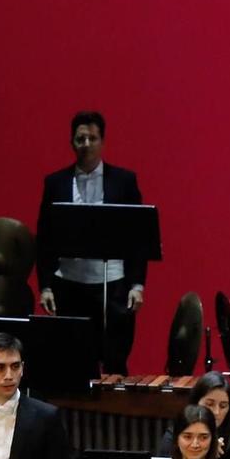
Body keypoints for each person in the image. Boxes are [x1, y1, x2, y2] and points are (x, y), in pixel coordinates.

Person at [37, 111, 147, 375]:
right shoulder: (55, 183)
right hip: (69, 286)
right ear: (72, 143)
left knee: (115, 361)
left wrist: (137, 284)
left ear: (102, 141)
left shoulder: (124, 181)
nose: (86, 144)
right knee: (73, 361)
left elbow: (138, 237)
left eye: (92, 138)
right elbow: (44, 238)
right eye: (80, 139)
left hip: (113, 285)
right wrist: (46, 286)